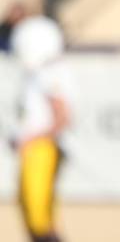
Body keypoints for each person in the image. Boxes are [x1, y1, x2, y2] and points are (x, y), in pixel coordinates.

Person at [10, 15, 74, 242]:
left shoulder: (50, 71)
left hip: (42, 148)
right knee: (30, 215)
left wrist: (30, 139)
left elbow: (62, 117)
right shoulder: (39, 72)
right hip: (35, 148)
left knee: (39, 218)